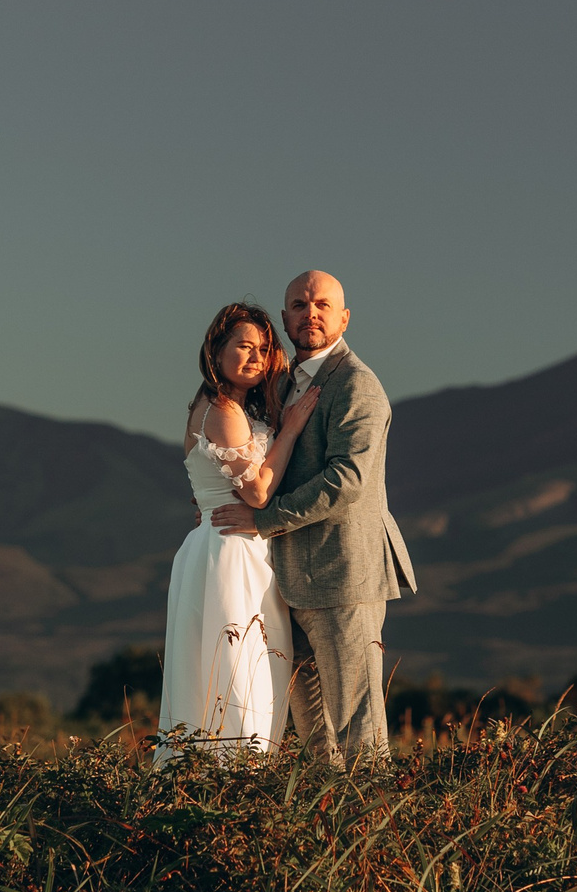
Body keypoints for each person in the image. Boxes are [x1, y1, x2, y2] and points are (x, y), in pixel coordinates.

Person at [209, 270, 416, 767]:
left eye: (322, 304)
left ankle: (376, 834)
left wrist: (262, 520)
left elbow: (348, 481)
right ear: (285, 319)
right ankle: (327, 833)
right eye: (299, 305)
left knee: (357, 728)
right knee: (314, 734)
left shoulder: (357, 385)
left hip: (344, 574)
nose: (311, 312)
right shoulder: (277, 382)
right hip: (287, 581)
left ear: (344, 317)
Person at [154, 302, 324, 762]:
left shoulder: (232, 404)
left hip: (231, 546)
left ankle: (228, 780)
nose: (255, 357)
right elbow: (257, 494)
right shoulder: (223, 409)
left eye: (264, 349)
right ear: (217, 349)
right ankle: (233, 777)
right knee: (237, 671)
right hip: (230, 553)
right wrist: (288, 432)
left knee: (244, 670)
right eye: (244, 346)